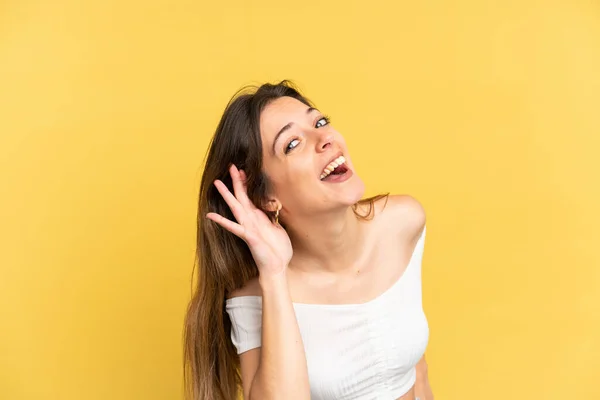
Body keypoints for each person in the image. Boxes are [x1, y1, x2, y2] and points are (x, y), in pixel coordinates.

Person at [183, 80, 433, 400]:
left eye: (320, 122)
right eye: (292, 143)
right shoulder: (255, 294)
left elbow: (418, 372)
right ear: (267, 197)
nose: (325, 137)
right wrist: (274, 274)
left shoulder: (402, 223)